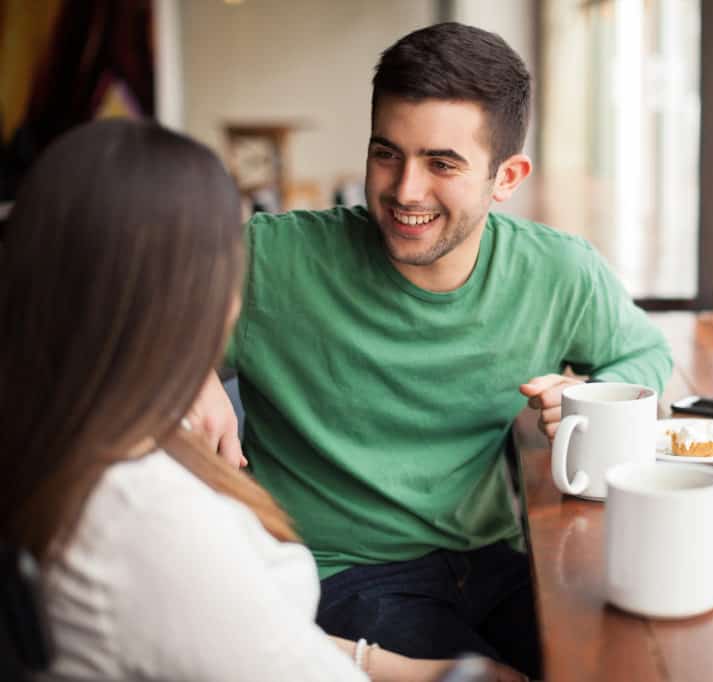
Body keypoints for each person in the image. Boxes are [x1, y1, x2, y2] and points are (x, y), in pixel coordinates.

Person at [191, 22, 673, 678]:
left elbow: (642, 354)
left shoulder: (558, 271)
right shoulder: (271, 259)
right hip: (343, 575)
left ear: (507, 176)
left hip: (499, 560)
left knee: (627, 663)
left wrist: (587, 398)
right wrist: (183, 372)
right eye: (386, 153)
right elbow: (98, 334)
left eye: (441, 163)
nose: (405, 190)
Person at [0, 118, 522, 682]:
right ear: (193, 297)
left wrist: (401, 667)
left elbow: (240, 638)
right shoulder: (148, 517)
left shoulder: (69, 444)